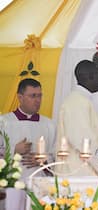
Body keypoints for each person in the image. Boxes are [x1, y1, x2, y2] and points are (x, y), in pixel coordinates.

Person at [0, 78, 56, 210]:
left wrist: (44, 159)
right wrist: (13, 150)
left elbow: (57, 154)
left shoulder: (49, 124)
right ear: (20, 97)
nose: (38, 100)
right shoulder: (4, 122)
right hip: (11, 186)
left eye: (40, 95)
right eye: (33, 96)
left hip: (40, 185)